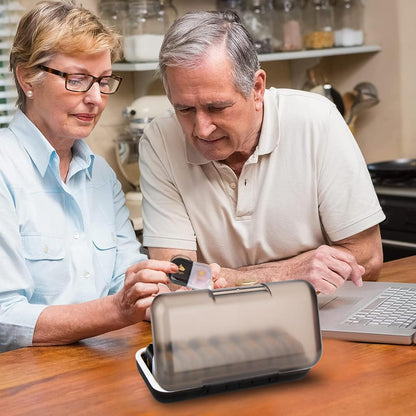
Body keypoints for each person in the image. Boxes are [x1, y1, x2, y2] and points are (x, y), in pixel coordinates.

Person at [139, 10, 385, 295]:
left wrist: (226, 278)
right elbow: (174, 275)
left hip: (319, 312)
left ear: (257, 88)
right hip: (218, 320)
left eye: (217, 107)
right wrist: (285, 273)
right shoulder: (160, 139)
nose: (202, 129)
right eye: (184, 109)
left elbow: (368, 258)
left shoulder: (317, 120)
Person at [0, 0, 178, 353]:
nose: (96, 99)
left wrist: (172, 291)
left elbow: (125, 280)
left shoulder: (101, 176)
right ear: (26, 78)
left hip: (103, 367)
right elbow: (5, 320)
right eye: (78, 80)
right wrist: (117, 309)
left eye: (104, 81)